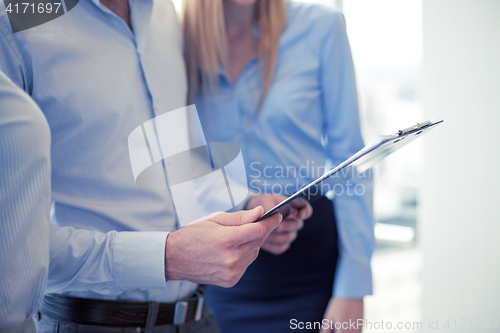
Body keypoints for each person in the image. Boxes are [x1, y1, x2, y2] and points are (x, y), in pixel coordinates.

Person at [0, 0, 311, 331]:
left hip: (196, 317)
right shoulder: (15, 22)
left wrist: (245, 205)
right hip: (88, 323)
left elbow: (176, 156)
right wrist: (166, 257)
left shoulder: (164, 13)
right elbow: (14, 250)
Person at [183, 0, 375, 332]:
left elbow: (350, 159)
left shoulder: (321, 27)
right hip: (219, 268)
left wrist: (353, 288)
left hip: (310, 267)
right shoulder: (178, 40)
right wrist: (245, 202)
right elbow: (181, 162)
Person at [0, 71, 51, 333]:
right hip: (85, 316)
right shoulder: (14, 37)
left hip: (194, 313)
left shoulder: (169, 36)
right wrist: (162, 255)